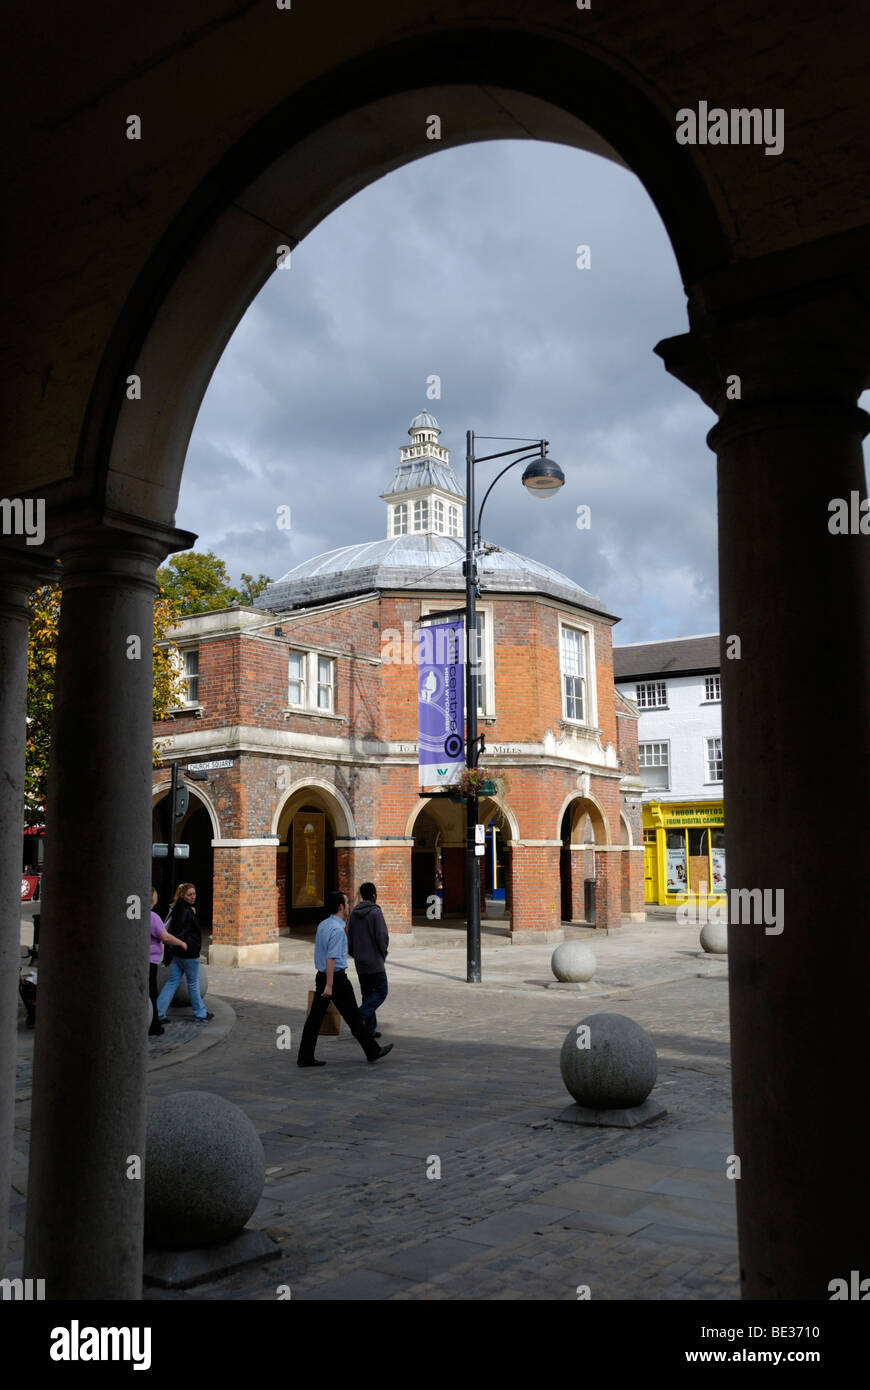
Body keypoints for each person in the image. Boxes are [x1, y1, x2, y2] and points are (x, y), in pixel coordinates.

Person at [296, 889, 394, 1067]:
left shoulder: (323, 925)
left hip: (323, 976)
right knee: (353, 1017)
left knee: (315, 1019)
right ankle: (372, 1051)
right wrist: (330, 985)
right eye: (347, 903)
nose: (349, 906)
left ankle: (305, 1056)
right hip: (335, 979)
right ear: (340, 906)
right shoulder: (338, 930)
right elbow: (331, 958)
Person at [155, 882, 214, 1024]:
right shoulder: (185, 910)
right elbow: (182, 931)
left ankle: (158, 1012)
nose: (193, 897)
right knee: (193, 983)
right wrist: (186, 945)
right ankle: (200, 1013)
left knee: (172, 982)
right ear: (182, 895)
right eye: (190, 894)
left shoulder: (179, 908)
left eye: (194, 894)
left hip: (178, 954)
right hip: (188, 953)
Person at [346, 882, 389, 1040]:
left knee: (367, 994)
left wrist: (355, 954)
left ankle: (369, 1030)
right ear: (373, 894)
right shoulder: (375, 912)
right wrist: (382, 953)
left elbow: (349, 938)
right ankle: (359, 1015)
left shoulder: (353, 913)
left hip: (361, 962)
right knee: (381, 991)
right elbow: (381, 937)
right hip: (374, 961)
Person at [148, 887, 188, 1036]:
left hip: (140, 960)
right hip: (150, 962)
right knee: (151, 994)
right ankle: (153, 1025)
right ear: (152, 901)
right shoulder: (152, 917)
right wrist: (181, 943)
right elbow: (165, 937)